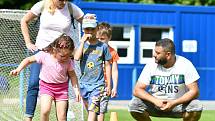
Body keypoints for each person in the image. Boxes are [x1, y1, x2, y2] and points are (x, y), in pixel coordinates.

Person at [20, 0, 84, 120]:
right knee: (34, 83)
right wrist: (28, 42)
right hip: (42, 50)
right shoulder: (42, 5)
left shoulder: (71, 8)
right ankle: (28, 117)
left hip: (63, 53)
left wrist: (89, 21)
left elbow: (86, 24)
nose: (63, 2)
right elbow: (24, 20)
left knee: (64, 84)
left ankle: (62, 117)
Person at [10, 34, 81, 121]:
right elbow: (28, 60)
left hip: (62, 89)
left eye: (68, 55)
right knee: (45, 111)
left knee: (62, 116)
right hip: (46, 87)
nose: (65, 58)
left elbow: (73, 76)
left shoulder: (68, 61)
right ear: (54, 50)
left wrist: (76, 90)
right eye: (62, 56)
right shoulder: (44, 55)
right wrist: (18, 69)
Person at [128, 38, 203, 121]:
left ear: (168, 55)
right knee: (134, 104)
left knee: (196, 106)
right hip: (155, 104)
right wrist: (155, 101)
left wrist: (174, 103)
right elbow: (137, 90)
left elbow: (194, 91)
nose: (154, 55)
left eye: (157, 53)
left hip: (178, 105)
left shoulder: (185, 64)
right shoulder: (151, 65)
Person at [74, 14, 112, 121]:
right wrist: (82, 42)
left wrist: (108, 84)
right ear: (83, 30)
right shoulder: (82, 45)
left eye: (92, 29)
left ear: (97, 29)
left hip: (98, 85)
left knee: (92, 112)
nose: (90, 31)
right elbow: (76, 58)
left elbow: (108, 65)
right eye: (87, 29)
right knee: (91, 112)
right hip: (83, 85)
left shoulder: (103, 46)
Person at [96, 22, 119, 121]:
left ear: (109, 38)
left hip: (105, 85)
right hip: (93, 83)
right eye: (98, 38)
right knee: (92, 112)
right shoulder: (92, 50)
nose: (99, 41)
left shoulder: (112, 52)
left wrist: (114, 87)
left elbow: (114, 71)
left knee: (101, 111)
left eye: (102, 39)